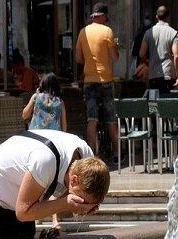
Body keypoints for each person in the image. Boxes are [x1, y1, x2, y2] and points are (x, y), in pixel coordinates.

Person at [0, 129, 109, 239]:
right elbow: (23, 212)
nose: (81, 203)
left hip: (23, 198)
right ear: (73, 180)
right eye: (81, 200)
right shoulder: (45, 161)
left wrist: (81, 208)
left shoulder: (87, 160)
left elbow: (58, 209)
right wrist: (65, 203)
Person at [75, 2, 120, 162]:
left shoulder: (83, 32)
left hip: (89, 81)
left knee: (91, 120)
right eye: (106, 16)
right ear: (102, 16)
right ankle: (116, 154)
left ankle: (90, 156)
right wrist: (116, 47)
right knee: (110, 119)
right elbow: (115, 57)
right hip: (106, 81)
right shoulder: (107, 31)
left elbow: (78, 59)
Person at [139, 6, 178, 94]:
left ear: (156, 17)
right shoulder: (173, 33)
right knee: (168, 105)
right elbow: (176, 56)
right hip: (168, 74)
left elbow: (141, 54)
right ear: (168, 17)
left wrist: (148, 63)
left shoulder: (148, 33)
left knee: (155, 105)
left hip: (153, 75)